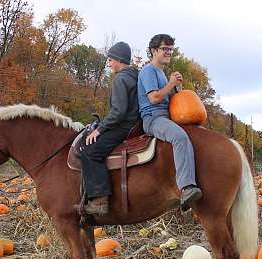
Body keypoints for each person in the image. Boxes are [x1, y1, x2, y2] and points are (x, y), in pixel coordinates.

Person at [137, 34, 202, 210]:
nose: (168, 52)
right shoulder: (148, 71)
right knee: (180, 137)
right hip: (153, 118)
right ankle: (186, 187)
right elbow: (154, 98)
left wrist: (176, 87)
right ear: (153, 50)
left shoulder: (161, 73)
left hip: (167, 115)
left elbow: (168, 98)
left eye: (170, 50)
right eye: (165, 49)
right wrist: (170, 83)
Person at [81, 41, 139, 215]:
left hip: (124, 126)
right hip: (135, 124)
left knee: (90, 151)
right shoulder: (135, 76)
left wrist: (100, 129)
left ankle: (99, 200)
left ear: (119, 60)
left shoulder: (121, 79)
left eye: (110, 59)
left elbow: (119, 111)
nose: (108, 63)